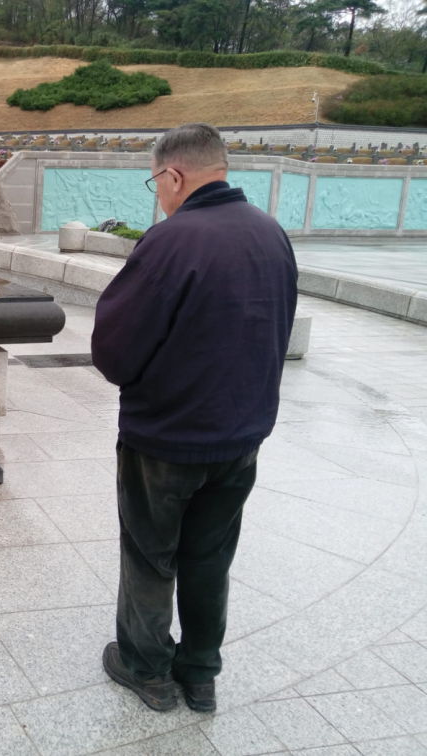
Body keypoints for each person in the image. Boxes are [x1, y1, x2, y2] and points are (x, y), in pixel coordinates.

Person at [90, 123, 298, 713]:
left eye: (156, 180)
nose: (157, 192)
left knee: (151, 555)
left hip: (166, 439)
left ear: (175, 175)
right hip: (241, 437)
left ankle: (145, 668)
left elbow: (114, 348)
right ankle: (201, 674)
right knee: (210, 556)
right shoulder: (271, 233)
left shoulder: (172, 240)